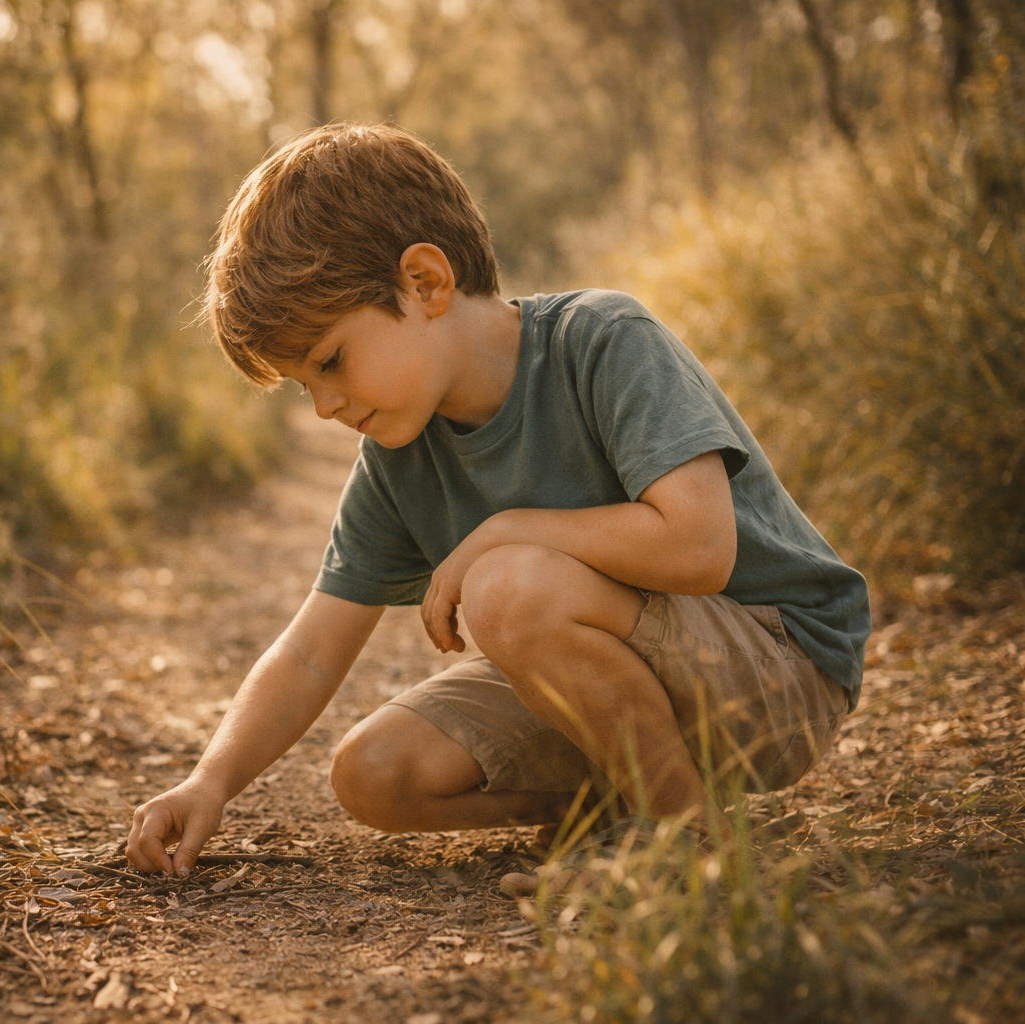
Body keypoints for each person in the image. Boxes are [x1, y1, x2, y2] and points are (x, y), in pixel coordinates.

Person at [125, 124, 869, 877]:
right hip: (637, 691)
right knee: (374, 772)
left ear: (426, 283)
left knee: (507, 586)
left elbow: (701, 548)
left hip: (777, 670)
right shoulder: (399, 454)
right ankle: (625, 805)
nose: (324, 405)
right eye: (305, 386)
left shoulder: (603, 340)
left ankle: (682, 838)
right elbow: (312, 650)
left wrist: (506, 530)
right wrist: (209, 781)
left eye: (332, 361)